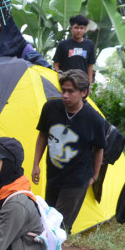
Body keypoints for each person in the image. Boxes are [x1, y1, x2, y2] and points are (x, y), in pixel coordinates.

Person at [32, 69, 106, 234]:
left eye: (71, 91)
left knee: (58, 227)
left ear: (84, 92)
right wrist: (36, 164)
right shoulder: (51, 108)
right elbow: (43, 135)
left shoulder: (94, 119)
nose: (65, 95)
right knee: (46, 219)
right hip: (53, 175)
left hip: (76, 180)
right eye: (63, 90)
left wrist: (94, 176)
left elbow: (99, 148)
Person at [52, 14, 95, 82]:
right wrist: (60, 77)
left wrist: (89, 85)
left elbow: (90, 66)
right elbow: (56, 65)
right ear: (71, 28)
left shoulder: (89, 45)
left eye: (81, 28)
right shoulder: (63, 44)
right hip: (66, 84)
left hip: (82, 83)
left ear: (85, 29)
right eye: (76, 27)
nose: (79, 30)